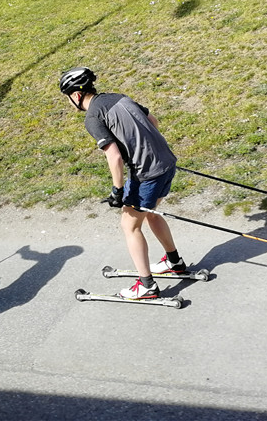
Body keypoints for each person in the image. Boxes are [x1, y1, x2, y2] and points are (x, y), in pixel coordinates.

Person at [60, 67, 187, 299]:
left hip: (146, 174)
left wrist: (117, 190)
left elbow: (115, 156)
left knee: (129, 226)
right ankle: (174, 261)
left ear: (76, 96)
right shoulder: (118, 97)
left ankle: (147, 285)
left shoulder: (93, 117)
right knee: (149, 213)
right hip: (166, 163)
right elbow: (153, 121)